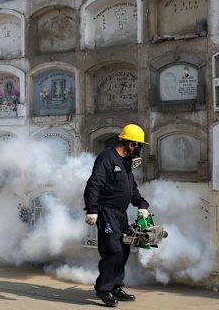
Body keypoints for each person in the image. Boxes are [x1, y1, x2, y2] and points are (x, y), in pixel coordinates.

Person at [83, 123, 150, 307]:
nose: (139, 151)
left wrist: (141, 204)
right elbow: (94, 184)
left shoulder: (125, 163)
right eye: (139, 147)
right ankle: (104, 289)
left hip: (120, 214)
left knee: (125, 248)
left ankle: (115, 286)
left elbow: (131, 188)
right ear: (131, 145)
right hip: (106, 212)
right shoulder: (107, 158)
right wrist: (92, 209)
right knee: (113, 250)